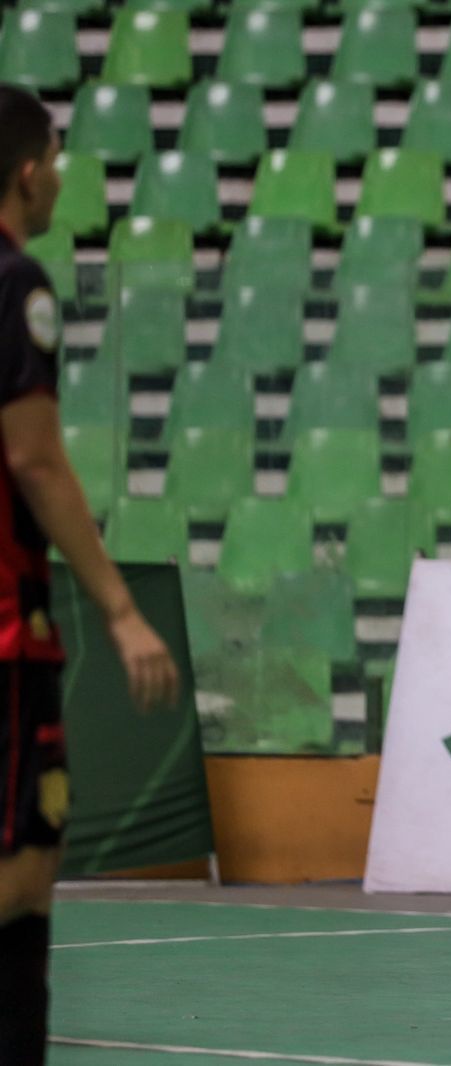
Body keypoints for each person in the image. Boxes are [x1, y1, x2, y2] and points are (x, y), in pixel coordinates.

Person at [0, 84, 180, 1064]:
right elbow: (34, 458)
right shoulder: (14, 281)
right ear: (29, 173)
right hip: (7, 629)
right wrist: (120, 609)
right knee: (23, 874)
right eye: (58, 162)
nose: (63, 178)